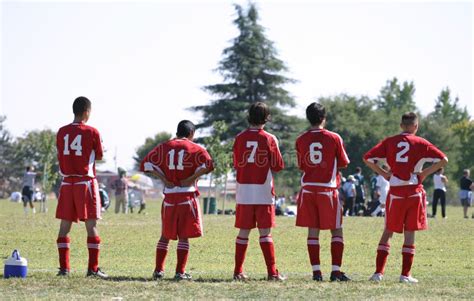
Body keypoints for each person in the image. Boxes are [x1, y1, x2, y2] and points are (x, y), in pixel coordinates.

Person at [364, 112, 448, 283]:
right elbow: (443, 159)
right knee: (409, 234)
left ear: (401, 125)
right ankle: (405, 275)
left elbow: (367, 158)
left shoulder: (389, 141)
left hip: (395, 192)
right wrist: (424, 173)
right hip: (414, 192)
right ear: (416, 126)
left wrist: (385, 174)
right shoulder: (421, 142)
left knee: (388, 231)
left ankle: (378, 273)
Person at [140, 120, 214, 280]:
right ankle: (180, 272)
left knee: (165, 235)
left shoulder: (163, 147)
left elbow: (146, 164)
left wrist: (163, 179)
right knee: (184, 235)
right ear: (191, 134)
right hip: (187, 195)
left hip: (169, 198)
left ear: (177, 131)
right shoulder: (197, 148)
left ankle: (158, 271)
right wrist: (191, 178)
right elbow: (209, 164)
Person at [295, 102, 351, 282]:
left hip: (308, 189)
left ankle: (316, 272)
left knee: (313, 231)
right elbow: (343, 162)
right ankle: (335, 272)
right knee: (336, 230)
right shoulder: (334, 137)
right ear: (324, 118)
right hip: (327, 189)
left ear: (308, 118)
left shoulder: (301, 139)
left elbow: (301, 165)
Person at [232, 102, 285, 281]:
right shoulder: (270, 138)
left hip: (244, 192)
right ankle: (272, 273)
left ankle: (238, 271)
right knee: (265, 233)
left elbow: (236, 163)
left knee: (243, 232)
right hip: (263, 192)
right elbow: (278, 166)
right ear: (267, 117)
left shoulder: (239, 138)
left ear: (249, 116)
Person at [55, 96, 107, 278]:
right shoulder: (92, 131)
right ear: (87, 112)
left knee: (64, 226)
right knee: (91, 225)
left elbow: (60, 154)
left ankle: (64, 269)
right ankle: (92, 269)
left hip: (67, 183)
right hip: (85, 182)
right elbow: (99, 155)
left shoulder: (61, 132)